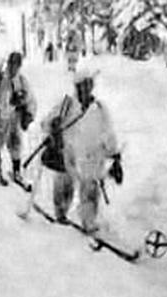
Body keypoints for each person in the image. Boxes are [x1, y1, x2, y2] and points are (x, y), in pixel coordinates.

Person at [38, 69, 122, 232]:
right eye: (81, 85)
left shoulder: (100, 109)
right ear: (76, 87)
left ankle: (89, 222)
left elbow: (108, 133)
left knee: (90, 189)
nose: (85, 88)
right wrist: (53, 125)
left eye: (88, 84)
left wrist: (114, 154)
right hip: (69, 153)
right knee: (64, 185)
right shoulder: (66, 105)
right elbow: (45, 123)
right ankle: (60, 214)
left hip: (92, 157)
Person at [0, 52, 36, 187]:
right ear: (8, 63)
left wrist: (28, 113)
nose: (13, 67)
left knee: (15, 142)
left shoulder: (22, 81)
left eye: (17, 65)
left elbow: (31, 99)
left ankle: (16, 170)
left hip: (14, 116)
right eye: (12, 64)